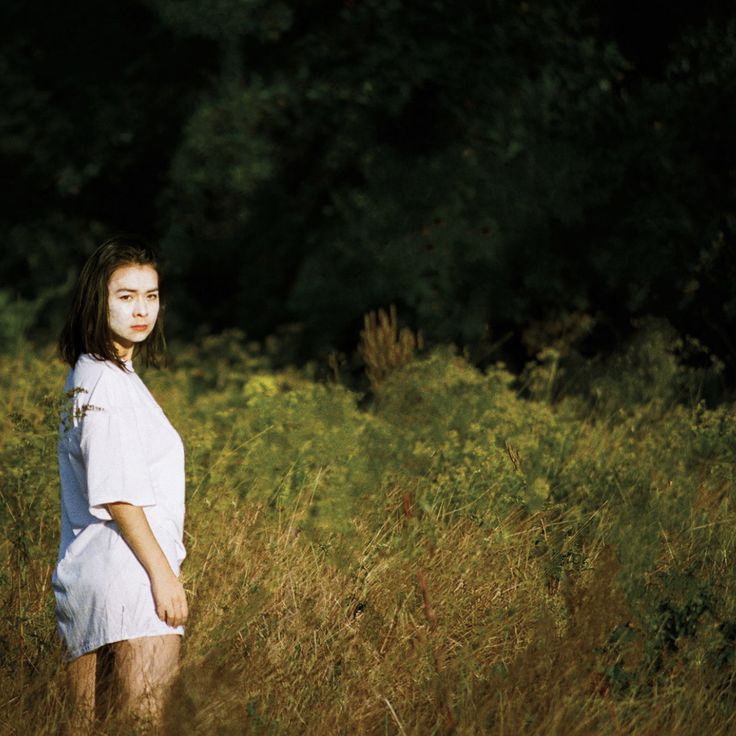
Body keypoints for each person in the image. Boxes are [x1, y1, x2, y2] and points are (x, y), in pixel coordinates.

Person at [53, 236, 188, 732]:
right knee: (144, 725)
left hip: (97, 576)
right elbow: (115, 493)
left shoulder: (98, 374)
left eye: (151, 296)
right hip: (132, 582)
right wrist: (164, 576)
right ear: (97, 300)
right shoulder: (105, 381)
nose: (142, 310)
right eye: (126, 296)